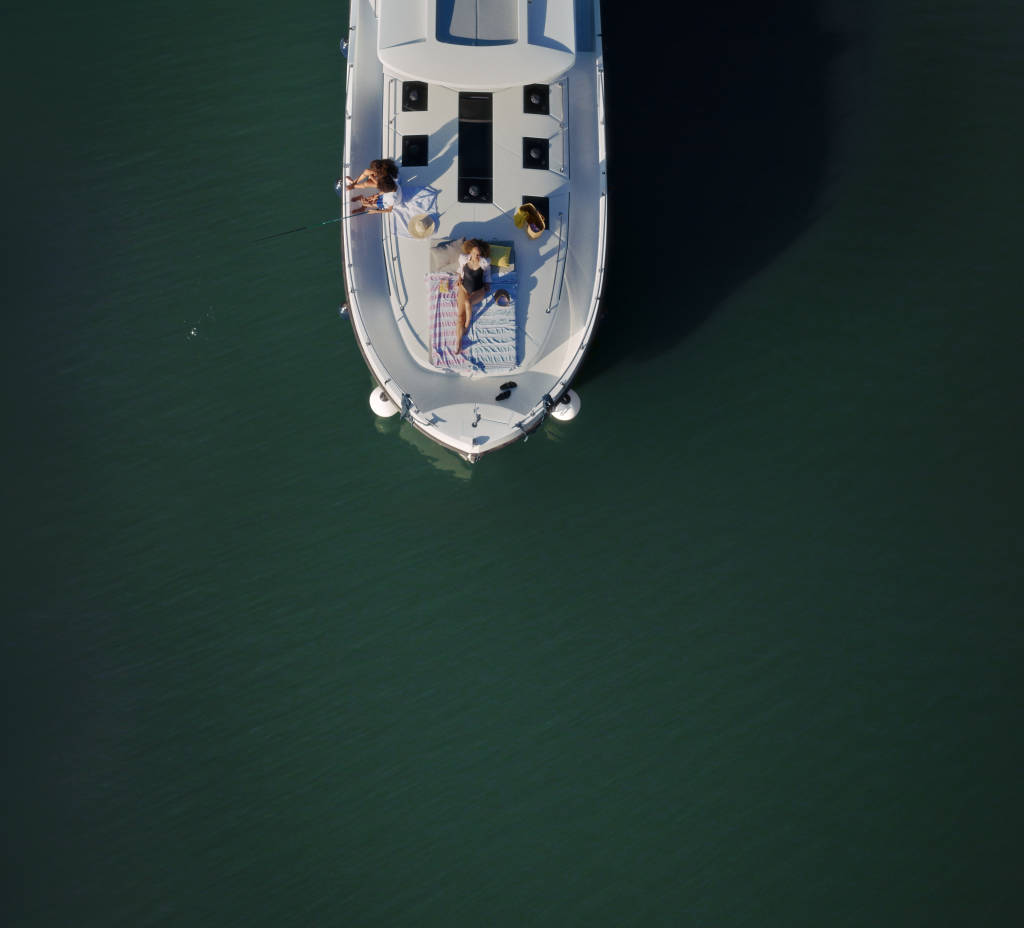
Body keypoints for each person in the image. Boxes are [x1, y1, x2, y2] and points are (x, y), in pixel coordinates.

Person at [454, 239, 491, 354]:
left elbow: (487, 275)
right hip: (464, 289)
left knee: (468, 302)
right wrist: (459, 278)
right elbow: (460, 270)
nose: (476, 256)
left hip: (478, 291)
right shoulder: (463, 259)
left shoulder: (485, 263)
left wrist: (487, 284)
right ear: (470, 252)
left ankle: (467, 324)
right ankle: (458, 344)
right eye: (474, 253)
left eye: (478, 254)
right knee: (460, 317)